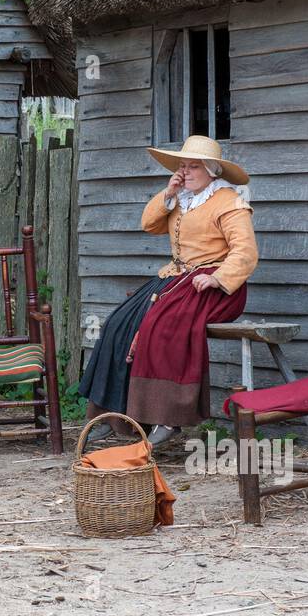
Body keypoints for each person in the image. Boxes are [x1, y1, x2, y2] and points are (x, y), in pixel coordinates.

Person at [78, 135, 258, 445]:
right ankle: (112, 413)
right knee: (118, 323)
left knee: (160, 326)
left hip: (216, 285)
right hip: (176, 279)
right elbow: (149, 223)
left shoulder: (230, 201)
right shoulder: (181, 198)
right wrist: (169, 191)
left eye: (193, 166)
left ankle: (168, 418)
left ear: (213, 171)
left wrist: (218, 278)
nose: (185, 171)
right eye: (182, 166)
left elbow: (246, 251)